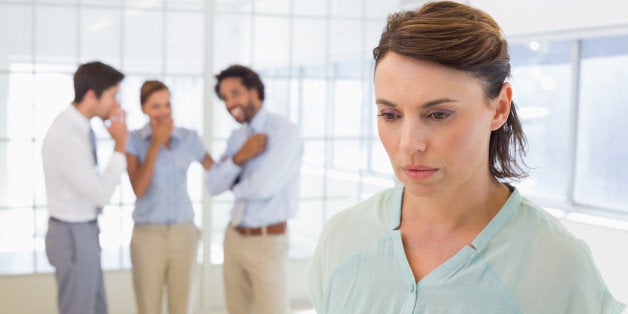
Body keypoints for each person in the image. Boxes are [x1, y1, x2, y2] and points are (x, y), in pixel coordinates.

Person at [308, 2, 626, 313]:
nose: (408, 144)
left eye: (438, 114)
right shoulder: (343, 237)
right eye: (390, 115)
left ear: (499, 108)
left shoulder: (554, 262)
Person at [207, 64, 303, 314]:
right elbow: (212, 185)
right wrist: (239, 157)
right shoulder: (237, 138)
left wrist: (234, 183)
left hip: (267, 242)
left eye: (235, 93)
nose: (230, 103)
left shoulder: (284, 131)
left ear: (254, 91)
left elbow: (263, 188)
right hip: (234, 237)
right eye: (225, 97)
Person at [42, 61, 127, 314]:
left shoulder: (80, 127)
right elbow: (100, 195)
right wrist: (121, 143)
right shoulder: (66, 136)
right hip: (73, 234)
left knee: (96, 307)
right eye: (112, 96)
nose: (116, 104)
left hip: (83, 231)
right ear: (92, 96)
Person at [125, 80, 213, 314]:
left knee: (182, 306)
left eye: (167, 105)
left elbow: (216, 171)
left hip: (183, 233)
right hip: (147, 236)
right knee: (148, 306)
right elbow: (139, 188)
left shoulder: (189, 138)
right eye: (155, 106)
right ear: (143, 108)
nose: (163, 112)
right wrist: (155, 145)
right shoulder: (133, 140)